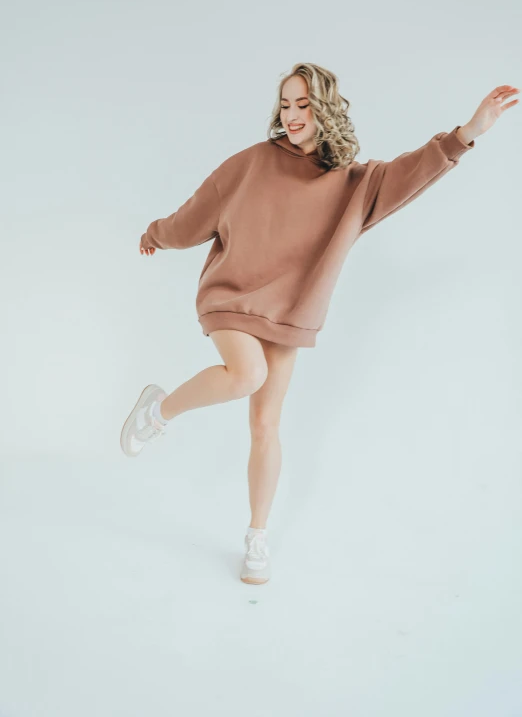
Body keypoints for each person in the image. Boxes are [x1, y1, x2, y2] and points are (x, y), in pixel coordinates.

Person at [120, 62, 519, 585]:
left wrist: (468, 133)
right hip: (231, 297)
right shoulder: (250, 163)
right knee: (246, 375)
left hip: (290, 312)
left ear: (325, 108)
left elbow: (412, 171)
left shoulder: (355, 183)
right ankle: (157, 411)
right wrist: (157, 232)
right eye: (285, 105)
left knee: (266, 426)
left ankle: (256, 536)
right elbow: (196, 215)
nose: (291, 116)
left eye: (302, 105)